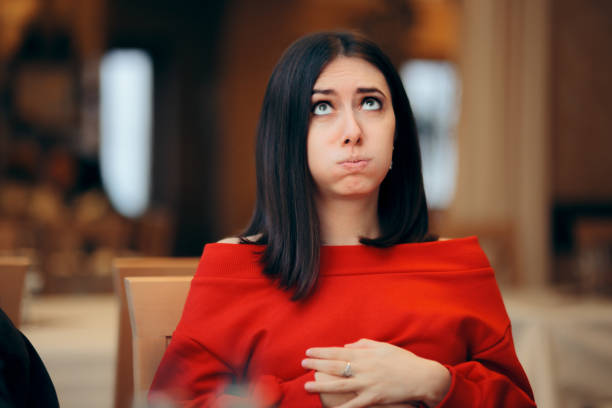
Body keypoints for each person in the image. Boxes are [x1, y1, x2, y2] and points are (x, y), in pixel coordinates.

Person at [149, 31, 535, 408]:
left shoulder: (458, 269)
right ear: (286, 134)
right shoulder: (234, 270)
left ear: (397, 127)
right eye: (321, 107)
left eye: (370, 103)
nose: (352, 131)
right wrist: (320, 396)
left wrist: (434, 382)